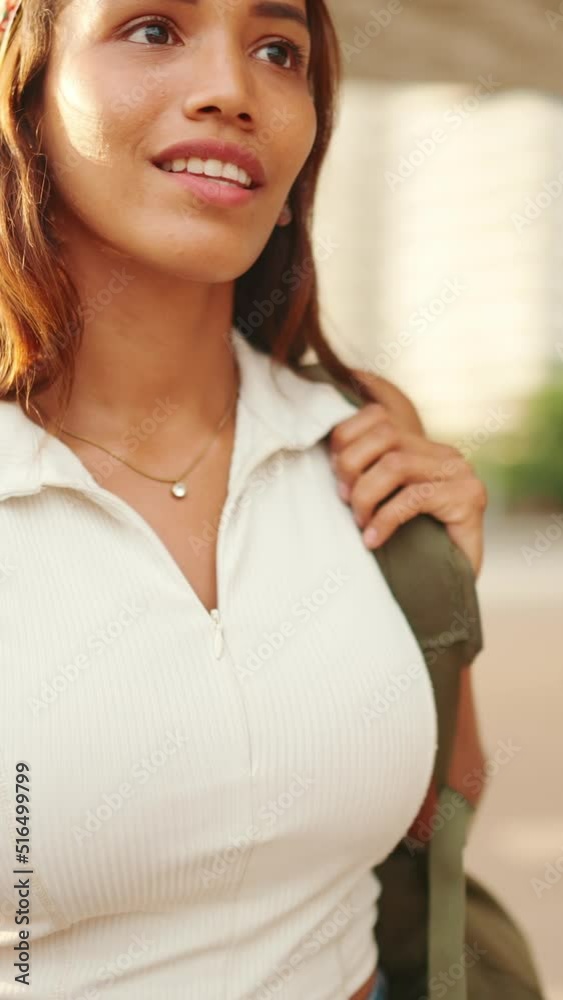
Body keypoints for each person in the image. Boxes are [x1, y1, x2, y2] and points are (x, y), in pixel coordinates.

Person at [0, 1, 487, 998]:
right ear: (29, 88)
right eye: (151, 29)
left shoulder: (358, 430)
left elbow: (435, 816)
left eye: (277, 51)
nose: (233, 90)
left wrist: (441, 600)